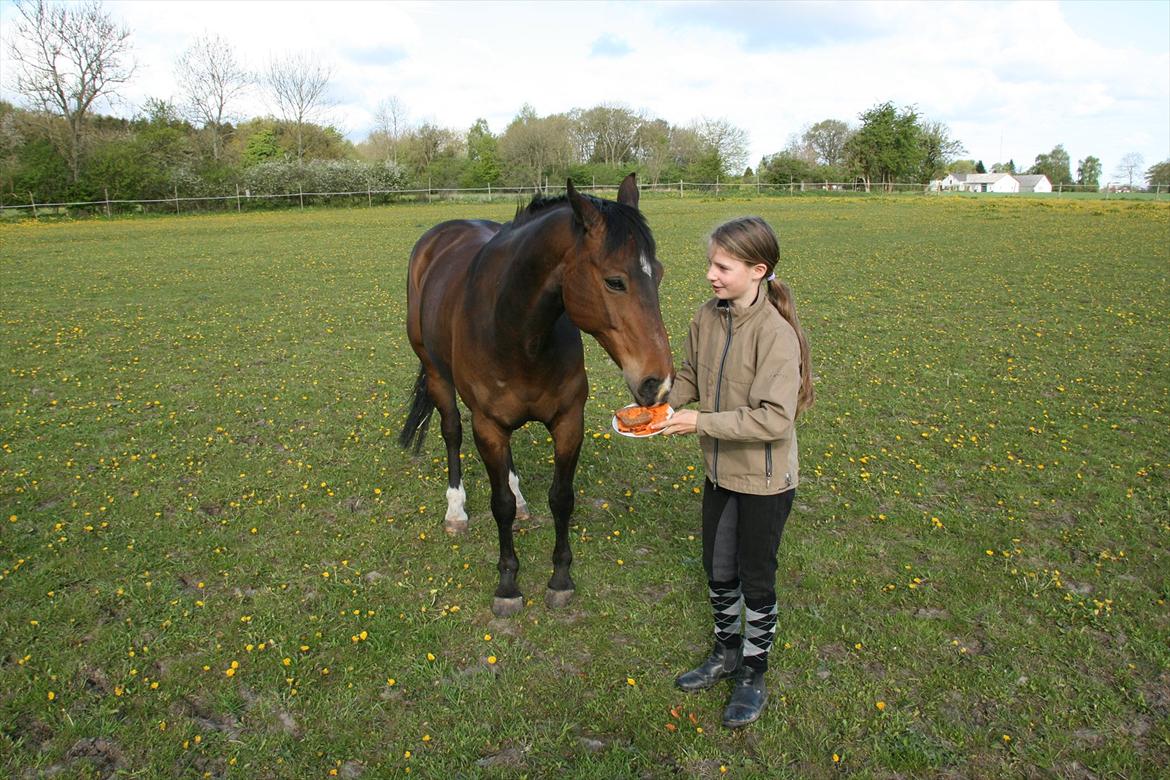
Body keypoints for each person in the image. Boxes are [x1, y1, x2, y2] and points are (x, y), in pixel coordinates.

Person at [653, 216, 814, 728]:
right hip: (720, 474)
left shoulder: (776, 334)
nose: (711, 275)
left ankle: (753, 670)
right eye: (711, 264)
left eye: (722, 266)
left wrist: (700, 421)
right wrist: (658, 407)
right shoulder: (707, 317)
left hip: (765, 483)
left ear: (757, 270)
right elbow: (693, 375)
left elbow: (773, 418)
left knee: (756, 580)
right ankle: (725, 652)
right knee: (719, 572)